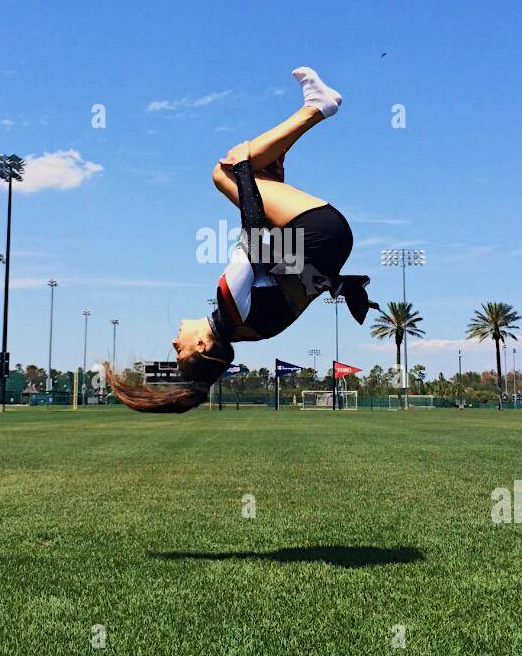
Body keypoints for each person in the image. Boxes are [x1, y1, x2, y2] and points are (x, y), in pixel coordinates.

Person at [108, 67, 378, 412]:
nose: (175, 340)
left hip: (326, 244)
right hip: (319, 233)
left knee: (256, 170)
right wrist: (243, 172)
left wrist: (270, 188)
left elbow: (282, 265)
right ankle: (318, 108)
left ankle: (312, 112)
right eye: (179, 349)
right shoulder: (230, 305)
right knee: (224, 172)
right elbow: (254, 235)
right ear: (204, 345)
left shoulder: (251, 329)